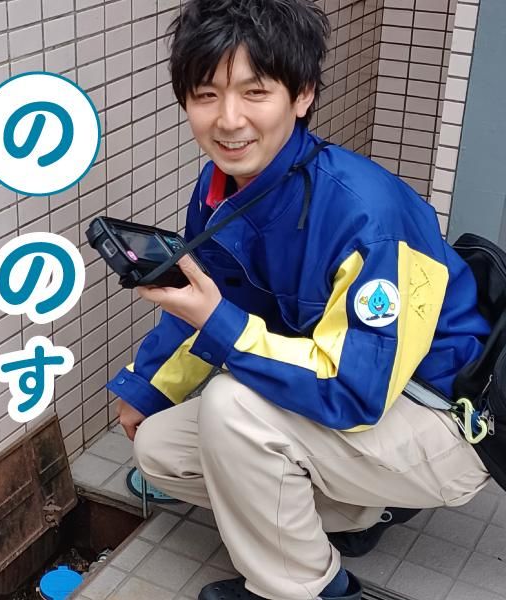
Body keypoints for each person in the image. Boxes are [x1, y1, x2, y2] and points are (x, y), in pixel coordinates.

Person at [105, 1, 492, 599]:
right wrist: (148, 388)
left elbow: (354, 389)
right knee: (159, 449)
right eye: (206, 95)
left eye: (254, 92)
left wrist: (222, 325)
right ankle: (358, 510)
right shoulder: (224, 190)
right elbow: (208, 298)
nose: (228, 120)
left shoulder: (367, 217)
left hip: (439, 417)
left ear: (302, 94)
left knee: (233, 408)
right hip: (364, 402)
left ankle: (311, 588)